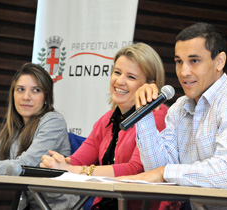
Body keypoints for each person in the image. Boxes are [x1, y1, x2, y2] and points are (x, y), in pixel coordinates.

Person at [119, 23, 227, 207]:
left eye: (194, 61)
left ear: (219, 61)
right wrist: (145, 113)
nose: (184, 72)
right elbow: (155, 169)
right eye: (179, 62)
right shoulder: (180, 108)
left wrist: (164, 172)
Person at [40, 43, 180, 210]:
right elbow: (77, 161)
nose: (119, 81)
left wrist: (75, 170)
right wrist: (58, 163)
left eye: (131, 77)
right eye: (117, 72)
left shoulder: (157, 116)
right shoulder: (106, 120)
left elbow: (135, 170)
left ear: (150, 84)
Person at [0, 63, 79, 209]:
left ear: (46, 97)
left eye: (35, 90)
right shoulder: (15, 127)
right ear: (13, 94)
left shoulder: (53, 121)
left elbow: (25, 164)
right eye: (20, 89)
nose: (26, 97)